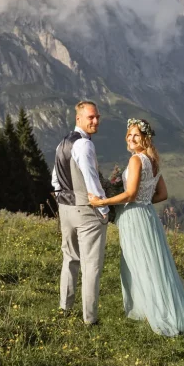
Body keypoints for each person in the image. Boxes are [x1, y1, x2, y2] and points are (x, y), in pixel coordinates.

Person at [88, 118, 184, 336]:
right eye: (129, 134)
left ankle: (154, 310)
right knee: (153, 262)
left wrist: (102, 202)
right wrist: (144, 201)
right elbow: (162, 194)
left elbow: (130, 194)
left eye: (136, 135)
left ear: (145, 138)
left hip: (135, 217)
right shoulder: (153, 161)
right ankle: (158, 306)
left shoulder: (136, 160)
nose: (131, 138)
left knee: (139, 264)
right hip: (148, 215)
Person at [52, 101, 109, 325]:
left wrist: (61, 199)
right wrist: (103, 208)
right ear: (79, 119)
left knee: (70, 258)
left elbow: (55, 178)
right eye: (90, 117)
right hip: (86, 210)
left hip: (65, 209)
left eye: (97, 117)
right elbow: (90, 179)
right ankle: (90, 319)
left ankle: (64, 308)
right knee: (91, 266)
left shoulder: (63, 143)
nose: (95, 121)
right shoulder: (84, 145)